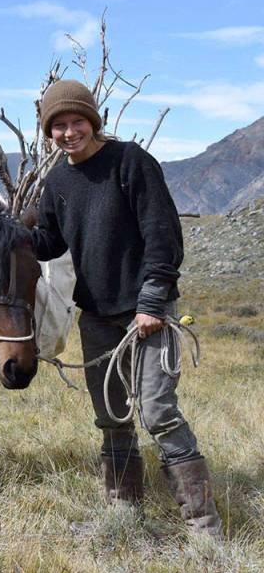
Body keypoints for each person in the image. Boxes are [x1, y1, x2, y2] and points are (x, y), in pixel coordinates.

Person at [30, 79, 222, 539]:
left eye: (76, 121)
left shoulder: (129, 162)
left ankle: (203, 527)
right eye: (58, 125)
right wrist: (3, 226)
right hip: (96, 315)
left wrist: (153, 300)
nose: (68, 131)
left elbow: (163, 234)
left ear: (93, 122)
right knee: (111, 415)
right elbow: (48, 243)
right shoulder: (57, 181)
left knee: (158, 411)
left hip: (146, 311)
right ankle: (123, 508)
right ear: (48, 132)